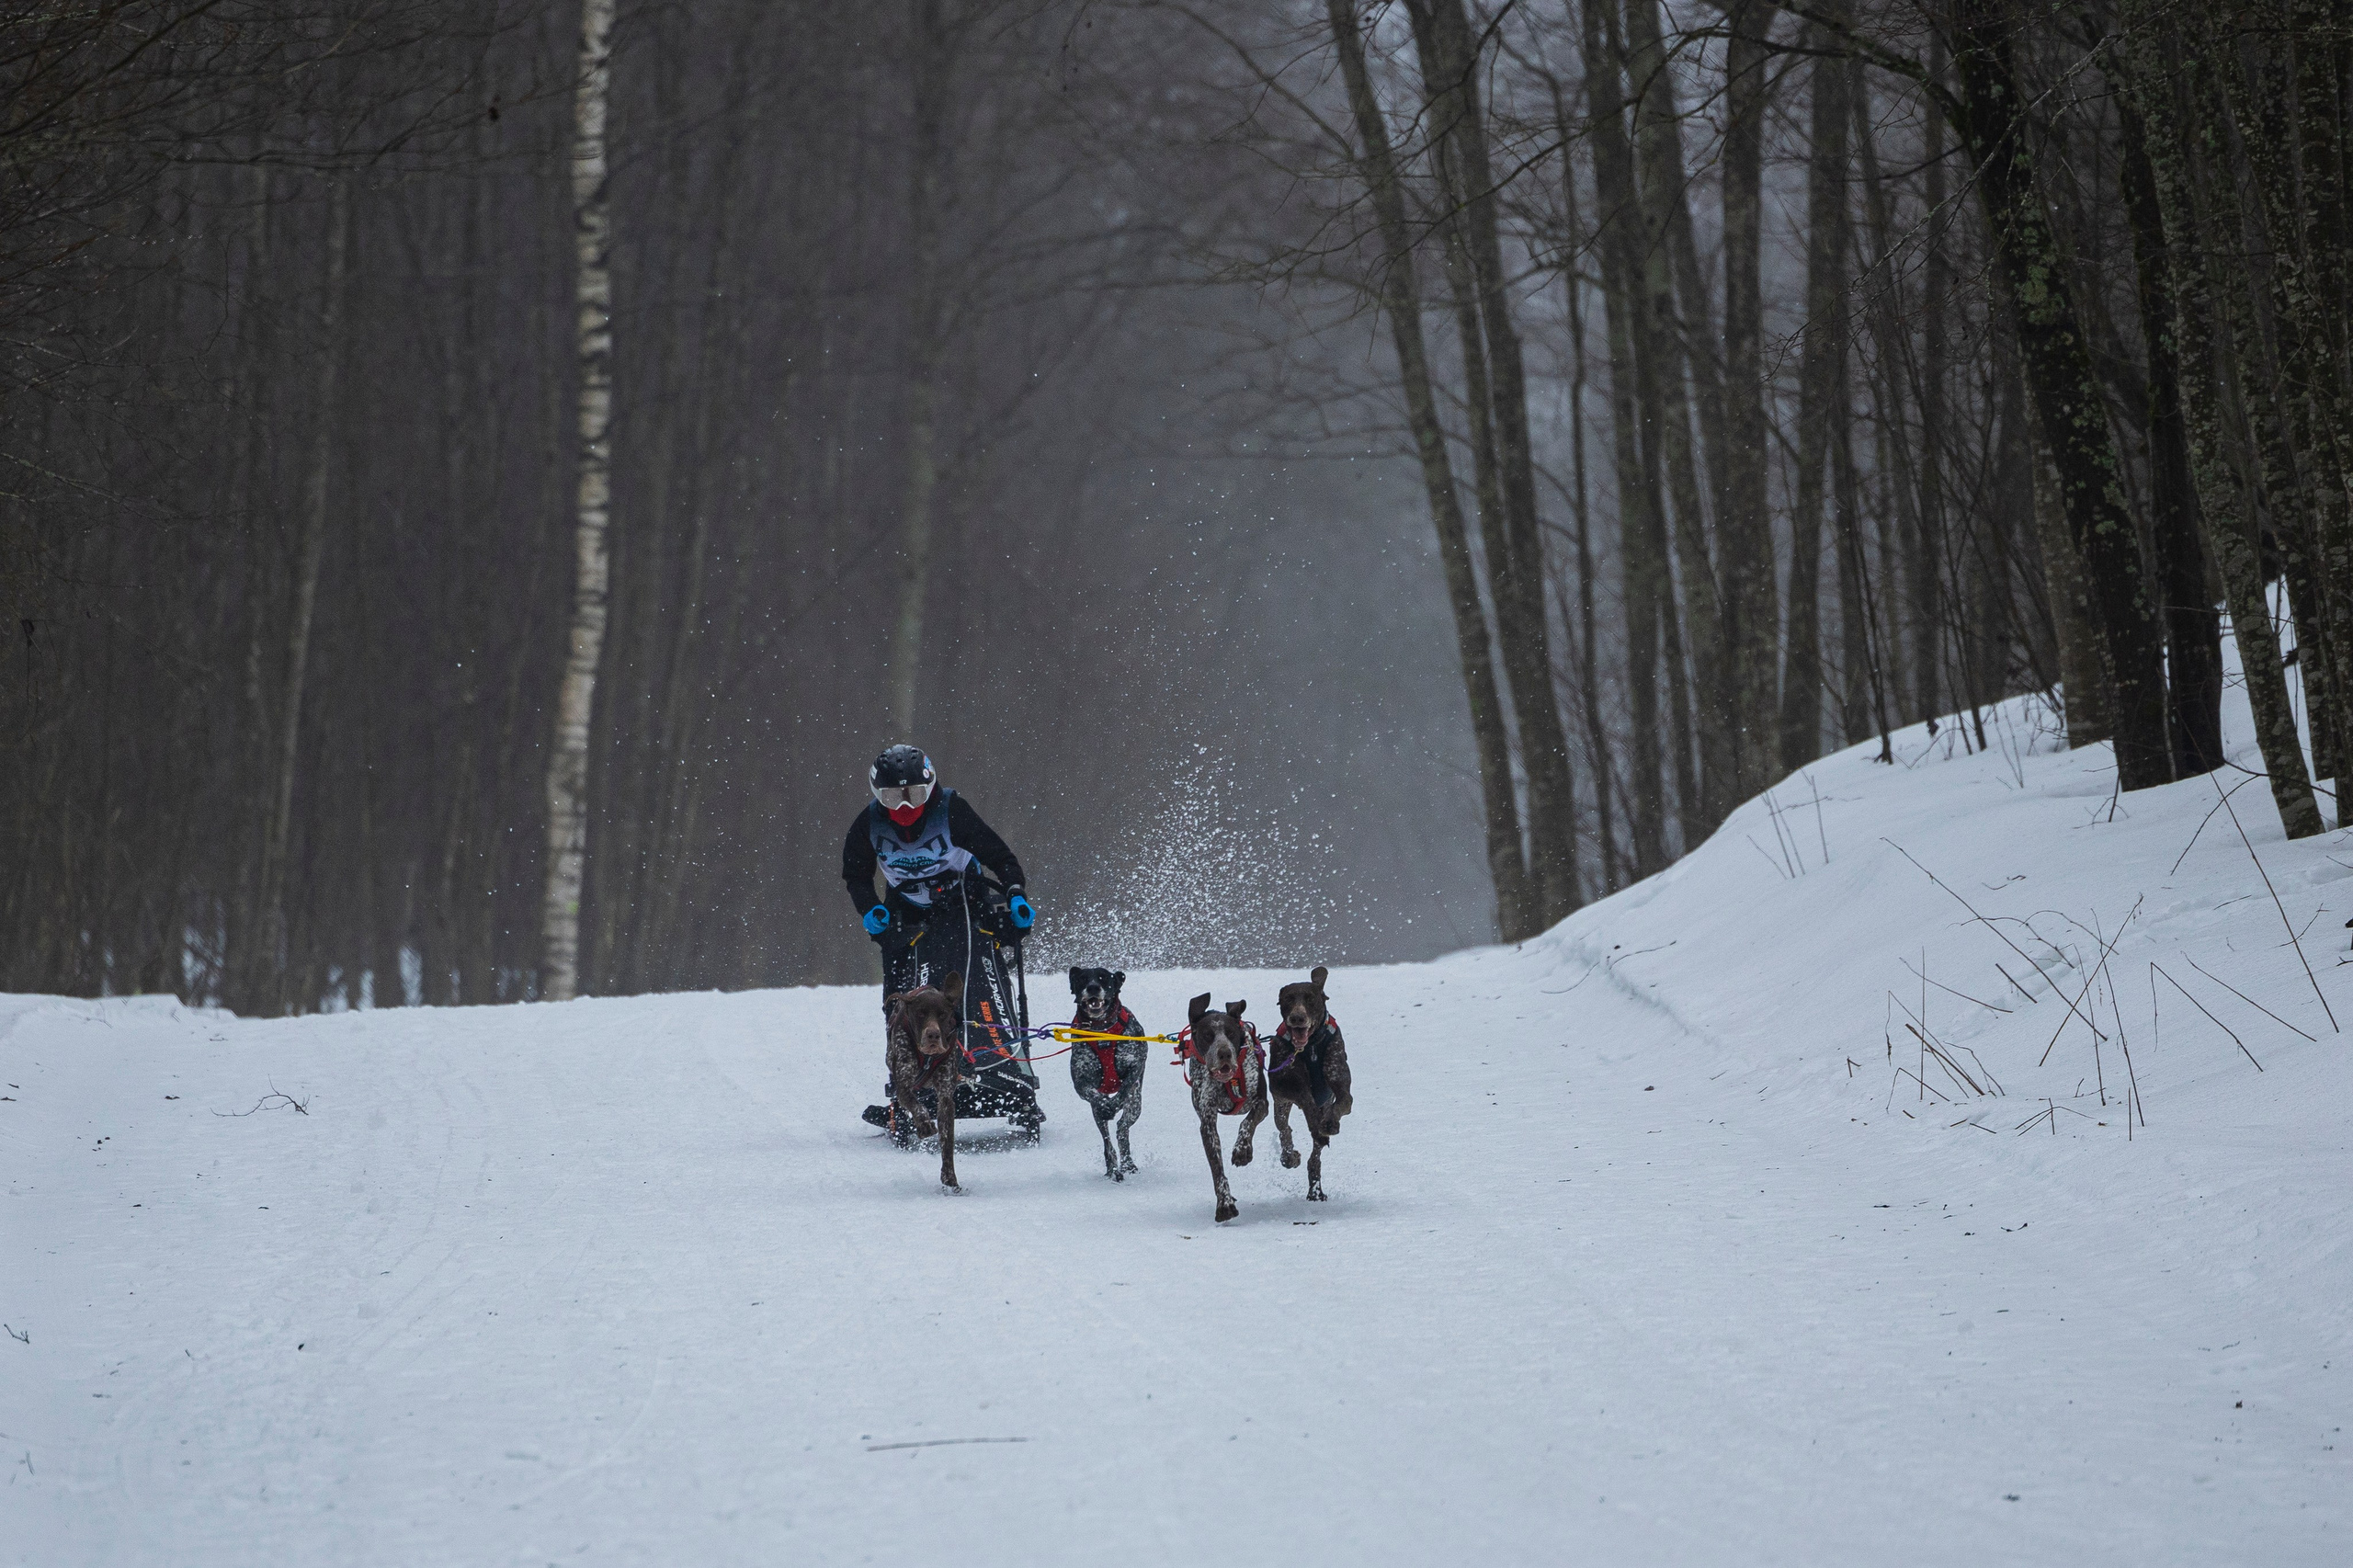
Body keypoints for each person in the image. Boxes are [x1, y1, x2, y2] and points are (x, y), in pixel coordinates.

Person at [845, 744, 1040, 1132]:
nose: (904, 808)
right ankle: (908, 1081)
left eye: (914, 795)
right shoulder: (868, 825)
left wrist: (1015, 892)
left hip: (963, 901)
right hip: (905, 909)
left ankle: (995, 1065)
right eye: (892, 798)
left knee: (965, 979)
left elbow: (1001, 858)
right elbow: (856, 875)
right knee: (904, 996)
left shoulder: (952, 810)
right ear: (876, 795)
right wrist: (870, 909)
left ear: (930, 787)